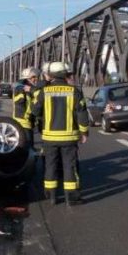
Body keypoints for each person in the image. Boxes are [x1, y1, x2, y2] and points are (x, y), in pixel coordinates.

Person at [31, 62, 89, 206]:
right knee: (70, 166)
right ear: (64, 74)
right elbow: (82, 114)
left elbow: (35, 111)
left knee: (50, 165)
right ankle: (72, 198)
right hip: (69, 138)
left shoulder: (45, 91)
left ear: (51, 75)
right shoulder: (74, 91)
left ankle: (51, 196)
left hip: (49, 138)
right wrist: (84, 132)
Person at [12, 67, 40, 147]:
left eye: (36, 77)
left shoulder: (28, 87)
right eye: (33, 77)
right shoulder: (21, 88)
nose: (36, 79)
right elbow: (19, 103)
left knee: (27, 145)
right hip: (23, 122)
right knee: (27, 146)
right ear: (27, 77)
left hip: (27, 121)